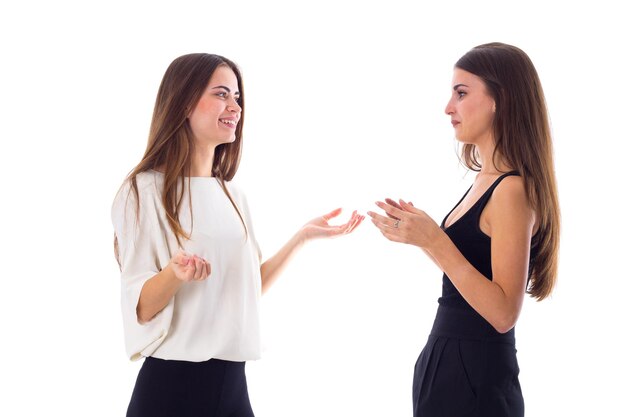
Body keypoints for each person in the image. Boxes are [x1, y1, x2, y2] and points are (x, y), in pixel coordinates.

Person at [111, 53, 364, 417]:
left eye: (237, 97)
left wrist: (301, 239)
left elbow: (246, 288)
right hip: (171, 391)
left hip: (232, 389)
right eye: (221, 94)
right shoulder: (143, 192)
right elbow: (142, 307)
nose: (235, 107)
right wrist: (174, 274)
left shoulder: (234, 196)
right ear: (183, 103)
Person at [367, 42, 560, 417]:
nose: (448, 107)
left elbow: (504, 312)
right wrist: (418, 235)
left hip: (476, 377)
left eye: (461, 93)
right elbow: (468, 275)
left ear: (498, 100)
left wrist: (435, 241)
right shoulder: (484, 182)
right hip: (446, 364)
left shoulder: (511, 189)